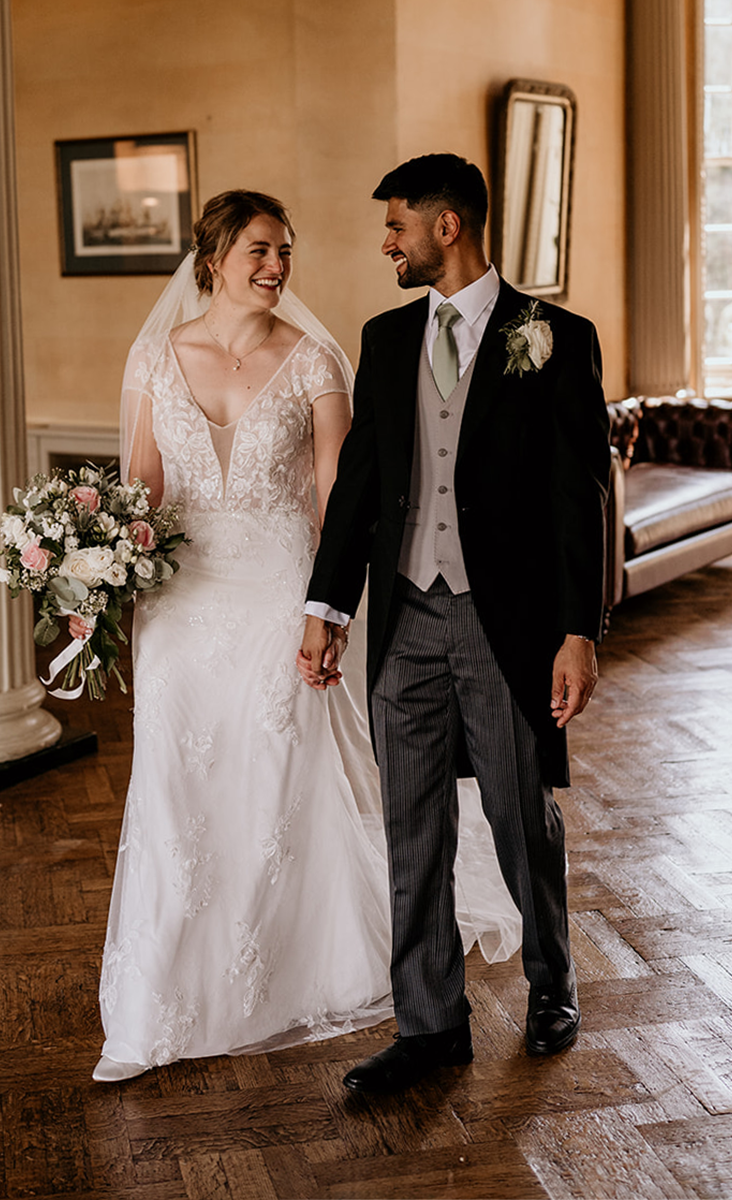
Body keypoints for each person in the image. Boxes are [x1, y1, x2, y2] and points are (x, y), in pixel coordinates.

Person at [88, 189, 522, 1083]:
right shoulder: (155, 358)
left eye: (285, 250)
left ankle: (281, 966)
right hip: (178, 607)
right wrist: (88, 574)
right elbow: (139, 494)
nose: (277, 267)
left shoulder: (317, 359)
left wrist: (330, 608)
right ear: (213, 256)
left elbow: (342, 498)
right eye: (258, 250)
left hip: (281, 594)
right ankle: (161, 995)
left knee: (277, 773)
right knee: (174, 788)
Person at [299, 154, 611, 1094]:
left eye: (397, 225)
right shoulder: (387, 339)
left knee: (521, 815)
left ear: (448, 227)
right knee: (411, 827)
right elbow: (360, 486)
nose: (385, 243)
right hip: (404, 620)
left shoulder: (554, 335)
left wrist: (578, 629)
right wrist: (326, 606)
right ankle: (431, 1025)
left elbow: (577, 493)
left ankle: (552, 983)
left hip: (502, 623)